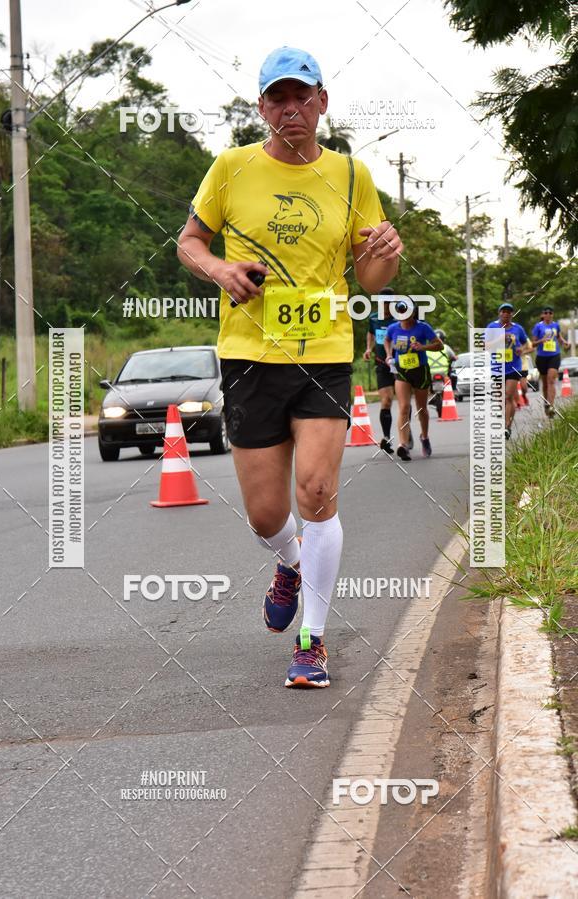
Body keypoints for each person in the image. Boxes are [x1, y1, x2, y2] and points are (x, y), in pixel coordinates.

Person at [177, 46, 403, 688]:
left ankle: (312, 638)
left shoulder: (354, 177)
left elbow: (371, 274)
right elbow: (190, 242)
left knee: (316, 493)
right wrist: (219, 268)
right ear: (261, 109)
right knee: (267, 515)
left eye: (302, 96)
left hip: (326, 353)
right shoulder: (230, 168)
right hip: (249, 356)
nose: (291, 108)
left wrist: (387, 251)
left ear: (322, 103)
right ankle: (289, 560)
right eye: (278, 98)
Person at [384, 301, 443, 461]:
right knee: (403, 407)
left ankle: (424, 437)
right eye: (400, 310)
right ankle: (403, 445)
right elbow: (387, 340)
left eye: (405, 310)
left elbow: (439, 346)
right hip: (402, 371)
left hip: (420, 370)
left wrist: (423, 347)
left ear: (413, 312)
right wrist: (389, 354)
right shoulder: (393, 328)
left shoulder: (423, 327)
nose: (403, 314)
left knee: (421, 408)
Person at [486, 302, 529, 439]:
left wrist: (521, 350)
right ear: (499, 313)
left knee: (508, 396)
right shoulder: (492, 327)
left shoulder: (518, 328)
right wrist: (500, 338)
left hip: (513, 367)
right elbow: (484, 346)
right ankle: (504, 420)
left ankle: (507, 427)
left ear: (512, 314)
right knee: (501, 398)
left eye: (509, 312)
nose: (506, 314)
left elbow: (526, 344)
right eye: (503, 311)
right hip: (497, 367)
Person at [363, 288, 397, 453]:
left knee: (404, 404)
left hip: (399, 364)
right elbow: (370, 333)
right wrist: (368, 348)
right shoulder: (374, 318)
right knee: (387, 401)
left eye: (388, 303)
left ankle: (406, 431)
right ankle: (386, 437)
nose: (385, 306)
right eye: (383, 302)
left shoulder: (400, 318)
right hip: (381, 363)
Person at [531, 305, 570, 417]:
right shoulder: (538, 326)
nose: (548, 314)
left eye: (550, 313)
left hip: (554, 355)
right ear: (542, 315)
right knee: (545, 384)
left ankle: (551, 405)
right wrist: (541, 340)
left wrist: (565, 343)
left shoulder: (555, 325)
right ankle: (546, 403)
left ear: (552, 315)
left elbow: (558, 337)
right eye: (546, 313)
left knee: (551, 380)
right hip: (541, 357)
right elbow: (533, 344)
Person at [426, 329, 457, 403]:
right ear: (443, 338)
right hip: (444, 372)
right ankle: (453, 392)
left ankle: (430, 394)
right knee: (453, 376)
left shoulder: (427, 348)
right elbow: (454, 357)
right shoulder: (446, 347)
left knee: (425, 381)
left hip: (431, 373)